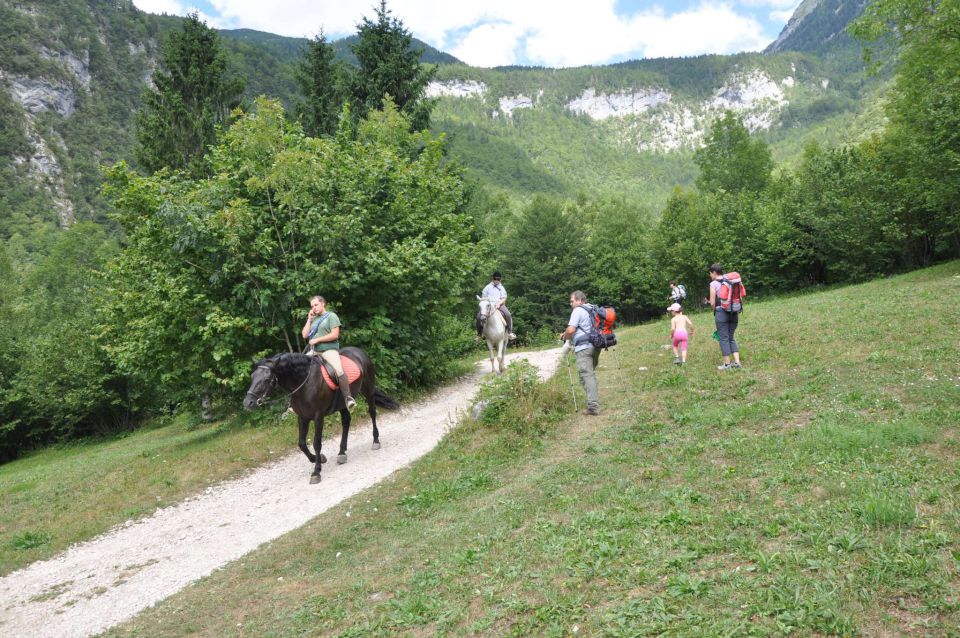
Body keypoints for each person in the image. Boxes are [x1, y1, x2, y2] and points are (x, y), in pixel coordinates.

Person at [302, 295, 356, 411]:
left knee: (338, 370)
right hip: (315, 351)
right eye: (312, 306)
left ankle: (348, 398)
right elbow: (304, 335)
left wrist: (317, 339)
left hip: (329, 350)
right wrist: (309, 319)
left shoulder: (331, 316)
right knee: (299, 367)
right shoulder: (314, 320)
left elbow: (335, 335)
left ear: (323, 304)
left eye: (316, 305)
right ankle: (294, 403)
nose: (314, 308)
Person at [560, 290, 600, 416]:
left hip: (583, 347)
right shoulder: (593, 308)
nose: (570, 304)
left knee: (586, 376)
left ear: (580, 300)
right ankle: (593, 400)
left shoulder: (577, 310)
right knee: (587, 376)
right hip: (596, 345)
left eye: (572, 301)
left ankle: (593, 407)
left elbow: (571, 329)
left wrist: (564, 336)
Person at [707, 264, 742, 370]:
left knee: (723, 338)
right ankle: (737, 362)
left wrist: (714, 309)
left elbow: (712, 302)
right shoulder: (731, 281)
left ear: (714, 272)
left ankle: (727, 364)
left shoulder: (713, 284)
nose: (710, 275)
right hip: (734, 311)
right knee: (731, 337)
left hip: (721, 313)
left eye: (710, 273)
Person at [477, 271, 516, 341]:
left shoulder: (502, 288)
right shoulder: (487, 287)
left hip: (499, 304)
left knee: (508, 314)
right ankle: (479, 335)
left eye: (499, 279)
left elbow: (504, 298)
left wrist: (498, 304)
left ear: (500, 279)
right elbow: (483, 298)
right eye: (496, 279)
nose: (497, 281)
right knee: (478, 316)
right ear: (493, 278)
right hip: (488, 306)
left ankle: (510, 332)